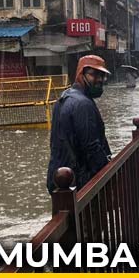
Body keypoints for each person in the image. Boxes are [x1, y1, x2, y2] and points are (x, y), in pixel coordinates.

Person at [46, 55, 112, 194]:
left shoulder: (64, 97)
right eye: (94, 75)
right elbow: (91, 146)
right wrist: (107, 172)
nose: (99, 80)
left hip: (58, 179)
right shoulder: (83, 104)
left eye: (102, 76)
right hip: (77, 182)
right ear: (81, 74)